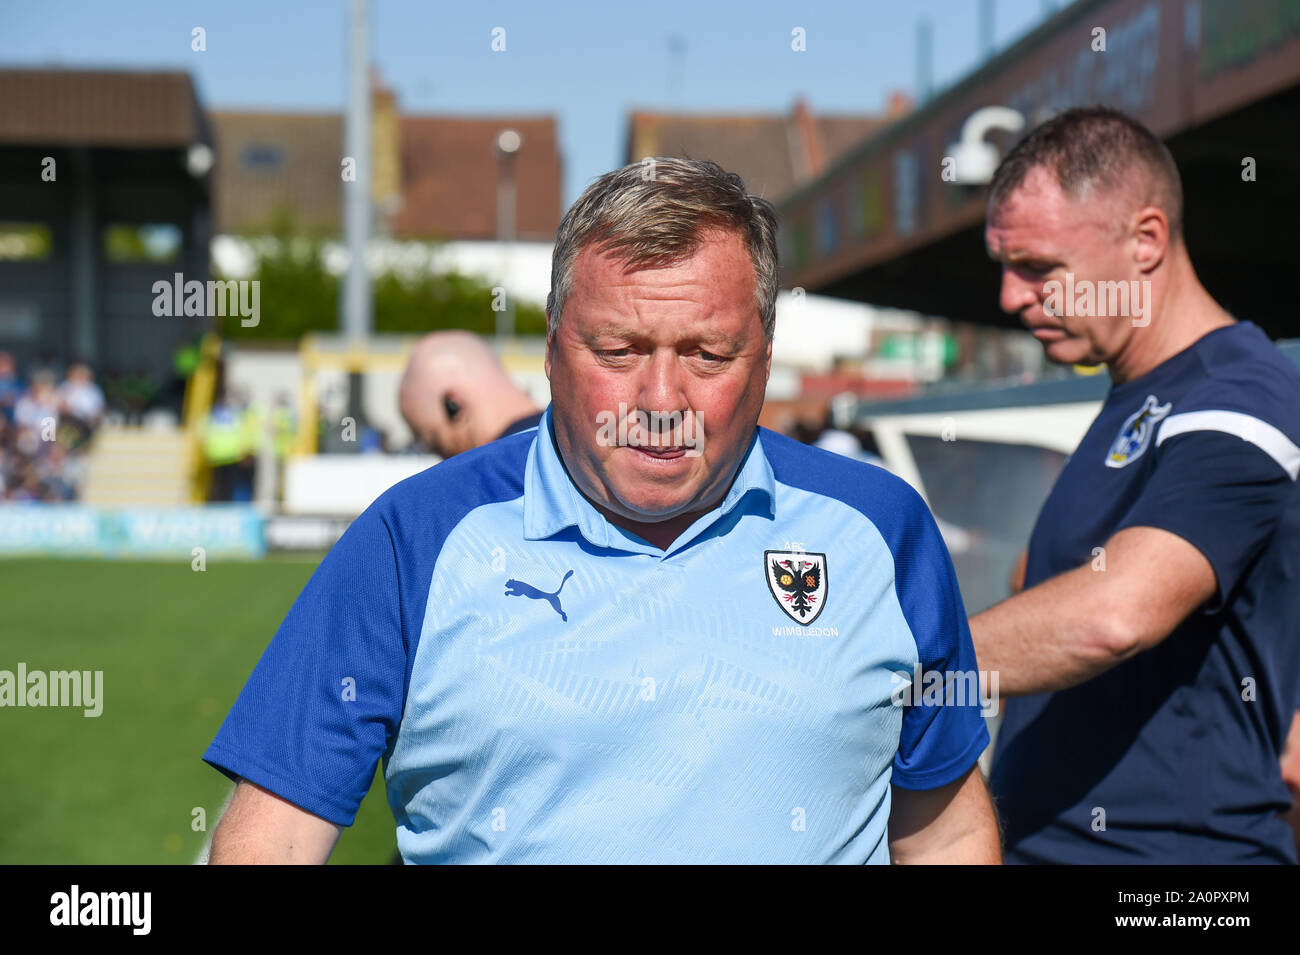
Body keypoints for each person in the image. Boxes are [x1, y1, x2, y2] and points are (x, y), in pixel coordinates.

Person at [203, 157, 998, 864]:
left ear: (764, 357)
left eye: (707, 354)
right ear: (551, 352)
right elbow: (270, 838)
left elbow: (944, 834)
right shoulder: (413, 540)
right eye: (617, 351)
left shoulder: (880, 530)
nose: (660, 400)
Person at [975, 106, 1300, 863]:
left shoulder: (1240, 395)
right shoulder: (1134, 393)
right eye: (1002, 265)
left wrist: (902, 669)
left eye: (1039, 268)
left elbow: (1117, 611)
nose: (1010, 298)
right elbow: (1049, 588)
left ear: (1146, 240)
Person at [397, 330, 541, 457]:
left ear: (454, 406)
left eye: (434, 442)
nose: (439, 457)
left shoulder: (494, 474)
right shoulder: (556, 439)